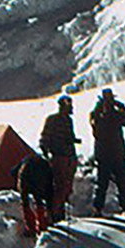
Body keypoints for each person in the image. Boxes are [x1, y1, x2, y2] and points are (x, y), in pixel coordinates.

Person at [90, 88, 125, 214]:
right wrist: (121, 109)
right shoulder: (102, 115)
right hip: (113, 153)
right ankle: (103, 207)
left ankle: (116, 207)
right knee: (109, 183)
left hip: (110, 153)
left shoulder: (110, 115)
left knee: (117, 183)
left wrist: (121, 109)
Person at [40, 95, 80, 223]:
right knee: (59, 187)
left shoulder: (68, 120)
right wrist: (47, 152)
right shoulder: (52, 120)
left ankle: (60, 212)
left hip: (69, 157)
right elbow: (45, 137)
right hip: (59, 157)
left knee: (66, 187)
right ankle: (53, 214)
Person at [15, 154, 55, 237]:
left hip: (24, 175)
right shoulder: (46, 166)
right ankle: (42, 226)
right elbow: (49, 186)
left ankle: (30, 227)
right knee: (38, 200)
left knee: (25, 201)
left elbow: (13, 172)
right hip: (39, 179)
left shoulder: (26, 159)